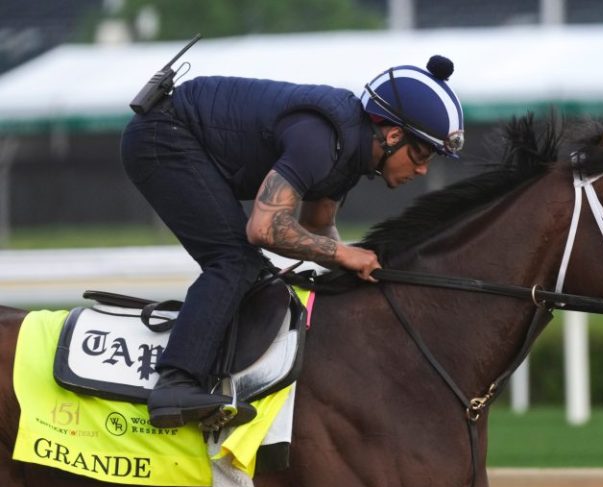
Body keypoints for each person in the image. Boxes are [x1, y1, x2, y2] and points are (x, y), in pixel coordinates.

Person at [120, 55, 465, 428]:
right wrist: (345, 254)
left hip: (181, 134)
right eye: (420, 154)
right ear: (393, 136)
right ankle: (176, 385)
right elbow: (263, 228)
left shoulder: (352, 153)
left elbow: (317, 227)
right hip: (162, 136)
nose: (422, 169)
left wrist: (364, 267)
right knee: (236, 261)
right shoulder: (323, 140)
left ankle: (217, 380)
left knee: (256, 273)